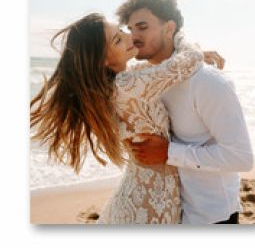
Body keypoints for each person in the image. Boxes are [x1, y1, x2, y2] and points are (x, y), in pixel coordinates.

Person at [30, 13, 207, 224]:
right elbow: (190, 61)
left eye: (121, 31)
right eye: (117, 39)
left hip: (145, 194)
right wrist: (175, 33)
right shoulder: (128, 85)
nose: (128, 36)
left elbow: (167, 68)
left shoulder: (117, 84)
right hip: (150, 204)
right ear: (103, 60)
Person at [116, 0, 254, 225]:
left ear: (169, 29)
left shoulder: (207, 82)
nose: (133, 36)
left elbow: (241, 157)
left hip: (211, 215)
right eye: (130, 29)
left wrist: (168, 152)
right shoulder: (145, 80)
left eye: (142, 27)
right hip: (171, 214)